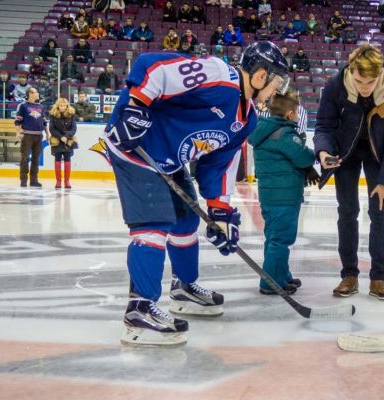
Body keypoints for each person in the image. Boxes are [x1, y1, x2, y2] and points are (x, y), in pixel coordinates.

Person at [102, 41, 289, 345]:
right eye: (276, 83)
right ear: (259, 75)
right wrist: (135, 105)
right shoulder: (217, 74)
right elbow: (153, 66)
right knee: (154, 225)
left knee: (186, 220)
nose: (277, 92)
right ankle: (139, 311)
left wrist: (220, 211)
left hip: (170, 159)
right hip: (135, 148)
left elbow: (219, 164)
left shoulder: (247, 119)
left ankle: (183, 288)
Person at [314, 45, 384, 301]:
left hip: (381, 155)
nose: (365, 87)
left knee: (380, 212)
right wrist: (323, 152)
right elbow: (324, 125)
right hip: (346, 153)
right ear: (350, 70)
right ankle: (349, 275)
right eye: (359, 81)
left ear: (380, 74)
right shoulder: (335, 85)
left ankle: (379, 278)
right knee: (347, 211)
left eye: (371, 81)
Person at [249, 89, 316, 295]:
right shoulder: (285, 133)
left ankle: (281, 276)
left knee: (274, 237)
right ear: (289, 114)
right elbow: (303, 157)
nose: (297, 116)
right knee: (281, 239)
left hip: (270, 195)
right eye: (296, 112)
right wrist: (314, 155)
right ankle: (270, 283)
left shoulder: (265, 130)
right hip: (284, 196)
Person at [15, 87, 49, 188]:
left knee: (36, 159)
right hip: (27, 135)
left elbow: (44, 121)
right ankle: (23, 181)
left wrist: (48, 133)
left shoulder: (41, 107)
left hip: (39, 135)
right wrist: (17, 133)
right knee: (24, 158)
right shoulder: (23, 106)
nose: (38, 93)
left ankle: (34, 180)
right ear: (30, 94)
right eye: (35, 92)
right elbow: (18, 121)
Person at [48, 97, 78, 189]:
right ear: (58, 106)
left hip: (68, 140)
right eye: (61, 105)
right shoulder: (53, 115)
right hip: (57, 140)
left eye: (64, 105)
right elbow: (51, 129)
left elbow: (74, 128)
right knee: (57, 159)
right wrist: (61, 137)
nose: (62, 107)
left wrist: (66, 136)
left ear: (67, 106)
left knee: (67, 159)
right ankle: (58, 181)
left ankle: (67, 181)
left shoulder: (71, 114)